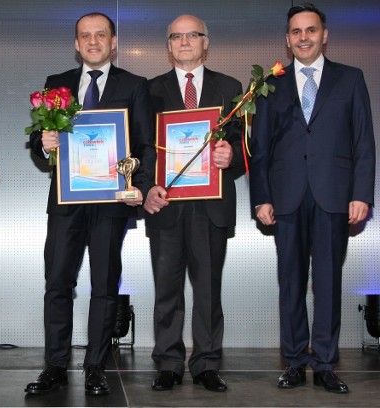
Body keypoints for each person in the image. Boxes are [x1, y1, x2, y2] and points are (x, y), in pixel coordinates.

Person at [25, 12, 155, 396]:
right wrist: (43, 144)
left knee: (104, 286)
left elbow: (145, 145)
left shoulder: (135, 85)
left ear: (113, 42)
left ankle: (96, 367)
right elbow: (39, 142)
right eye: (86, 36)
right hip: (67, 204)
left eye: (101, 35)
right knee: (57, 283)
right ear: (76, 44)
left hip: (113, 203)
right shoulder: (56, 84)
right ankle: (55, 367)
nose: (93, 41)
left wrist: (140, 188)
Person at [249, 2, 375, 394]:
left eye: (311, 30)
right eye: (296, 32)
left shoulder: (350, 79)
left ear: (325, 34)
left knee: (327, 282)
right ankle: (294, 361)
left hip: (334, 196)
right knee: (290, 283)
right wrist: (261, 197)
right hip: (285, 198)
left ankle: (324, 363)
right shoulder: (271, 83)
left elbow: (364, 143)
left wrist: (361, 194)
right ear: (287, 39)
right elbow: (261, 148)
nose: (303, 37)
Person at [143, 15, 244, 393]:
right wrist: (148, 186)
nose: (185, 41)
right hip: (166, 205)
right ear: (168, 46)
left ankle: (206, 363)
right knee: (166, 290)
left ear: (206, 42)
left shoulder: (231, 88)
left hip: (211, 207)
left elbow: (246, 146)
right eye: (176, 36)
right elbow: (142, 150)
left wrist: (230, 155)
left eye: (193, 35)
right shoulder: (148, 91)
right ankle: (169, 362)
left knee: (208, 290)